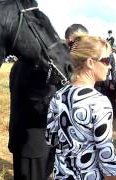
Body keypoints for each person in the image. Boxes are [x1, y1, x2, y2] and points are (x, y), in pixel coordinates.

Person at [8, 24, 88, 180]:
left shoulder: (42, 63)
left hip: (35, 140)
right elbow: (40, 105)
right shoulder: (40, 65)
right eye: (82, 42)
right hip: (33, 142)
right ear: (71, 40)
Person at [46, 35, 116, 180]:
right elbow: (106, 153)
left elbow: (50, 139)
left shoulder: (59, 95)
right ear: (90, 63)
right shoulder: (100, 102)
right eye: (106, 60)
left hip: (62, 175)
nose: (110, 66)